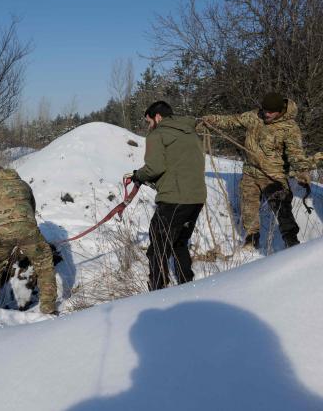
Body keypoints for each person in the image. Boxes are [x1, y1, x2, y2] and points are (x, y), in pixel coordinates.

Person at [202, 92, 311, 248]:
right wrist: (212, 119)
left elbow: (296, 153)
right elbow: (233, 121)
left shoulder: (290, 128)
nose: (266, 114)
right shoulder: (254, 116)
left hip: (273, 176)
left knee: (281, 208)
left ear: (280, 111)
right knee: (248, 208)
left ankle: (292, 243)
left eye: (271, 112)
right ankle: (251, 241)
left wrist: (302, 170)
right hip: (250, 172)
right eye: (265, 110)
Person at [125, 101, 206, 291]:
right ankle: (187, 285)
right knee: (178, 243)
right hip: (196, 198)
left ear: (158, 117)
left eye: (149, 121)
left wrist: (138, 175)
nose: (149, 126)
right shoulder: (189, 132)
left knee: (158, 248)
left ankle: (158, 290)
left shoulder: (158, 134)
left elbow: (155, 168)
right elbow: (176, 164)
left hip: (174, 199)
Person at [0, 166, 58, 314]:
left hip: (0, 237)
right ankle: (49, 308)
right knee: (45, 266)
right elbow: (31, 209)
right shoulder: (23, 185)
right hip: (28, 232)